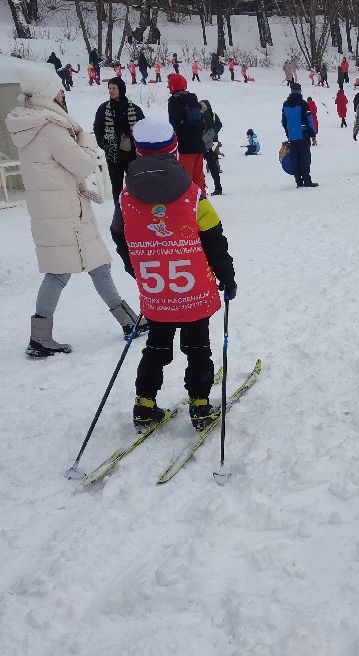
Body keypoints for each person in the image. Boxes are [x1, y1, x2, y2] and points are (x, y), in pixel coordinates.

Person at [6, 64, 142, 358]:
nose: (62, 93)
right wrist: (87, 139)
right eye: (57, 88)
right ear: (46, 92)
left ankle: (129, 322)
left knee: (98, 265)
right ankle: (40, 338)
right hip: (65, 211)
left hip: (57, 208)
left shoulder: (30, 122)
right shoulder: (50, 127)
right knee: (59, 273)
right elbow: (84, 163)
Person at [111, 117, 236, 431]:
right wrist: (227, 276)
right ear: (175, 151)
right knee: (197, 348)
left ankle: (144, 405)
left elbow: (120, 238)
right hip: (192, 288)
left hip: (157, 290)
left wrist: (138, 270)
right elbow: (214, 239)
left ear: (138, 152)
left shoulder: (125, 200)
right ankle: (200, 406)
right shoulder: (194, 195)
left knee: (156, 346)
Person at [93, 77, 145, 207]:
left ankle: (135, 210)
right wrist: (104, 145)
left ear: (121, 89)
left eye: (114, 88)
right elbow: (98, 128)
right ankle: (119, 212)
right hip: (113, 156)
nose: (110, 91)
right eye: (109, 88)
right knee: (116, 188)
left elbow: (143, 128)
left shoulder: (135, 109)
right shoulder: (103, 109)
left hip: (132, 155)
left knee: (135, 185)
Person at [167, 72, 208, 195]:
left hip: (185, 146)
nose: (168, 87)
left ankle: (188, 203)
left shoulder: (174, 101)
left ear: (173, 85)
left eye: (169, 84)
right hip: (198, 145)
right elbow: (202, 124)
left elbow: (173, 125)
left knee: (186, 179)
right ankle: (202, 202)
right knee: (198, 177)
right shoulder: (193, 99)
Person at [282, 83, 317, 188]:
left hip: (292, 136)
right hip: (303, 134)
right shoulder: (303, 103)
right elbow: (309, 119)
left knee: (295, 158)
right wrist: (313, 134)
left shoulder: (285, 104)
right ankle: (307, 180)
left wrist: (288, 133)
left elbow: (284, 121)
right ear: (299, 91)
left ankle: (298, 181)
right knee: (304, 158)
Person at [197, 99, 223, 195]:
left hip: (210, 143)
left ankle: (217, 188)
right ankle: (213, 188)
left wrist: (211, 134)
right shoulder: (199, 116)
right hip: (206, 143)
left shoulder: (211, 115)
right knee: (211, 166)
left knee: (213, 166)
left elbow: (217, 126)